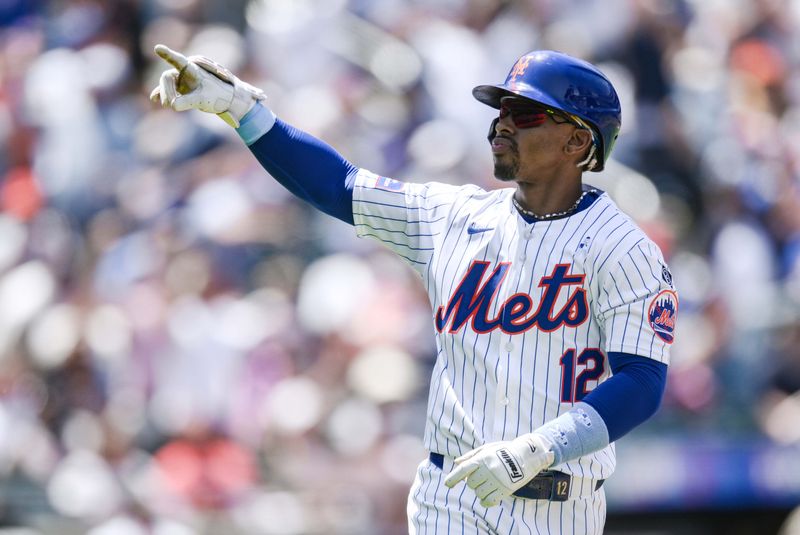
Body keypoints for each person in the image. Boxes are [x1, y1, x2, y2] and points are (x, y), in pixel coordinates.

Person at [151, 45, 677, 534]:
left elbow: (643, 380)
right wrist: (243, 109)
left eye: (525, 114)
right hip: (449, 495)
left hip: (560, 500)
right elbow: (338, 185)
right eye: (500, 113)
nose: (501, 126)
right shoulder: (450, 216)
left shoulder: (622, 248)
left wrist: (539, 449)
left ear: (577, 140)